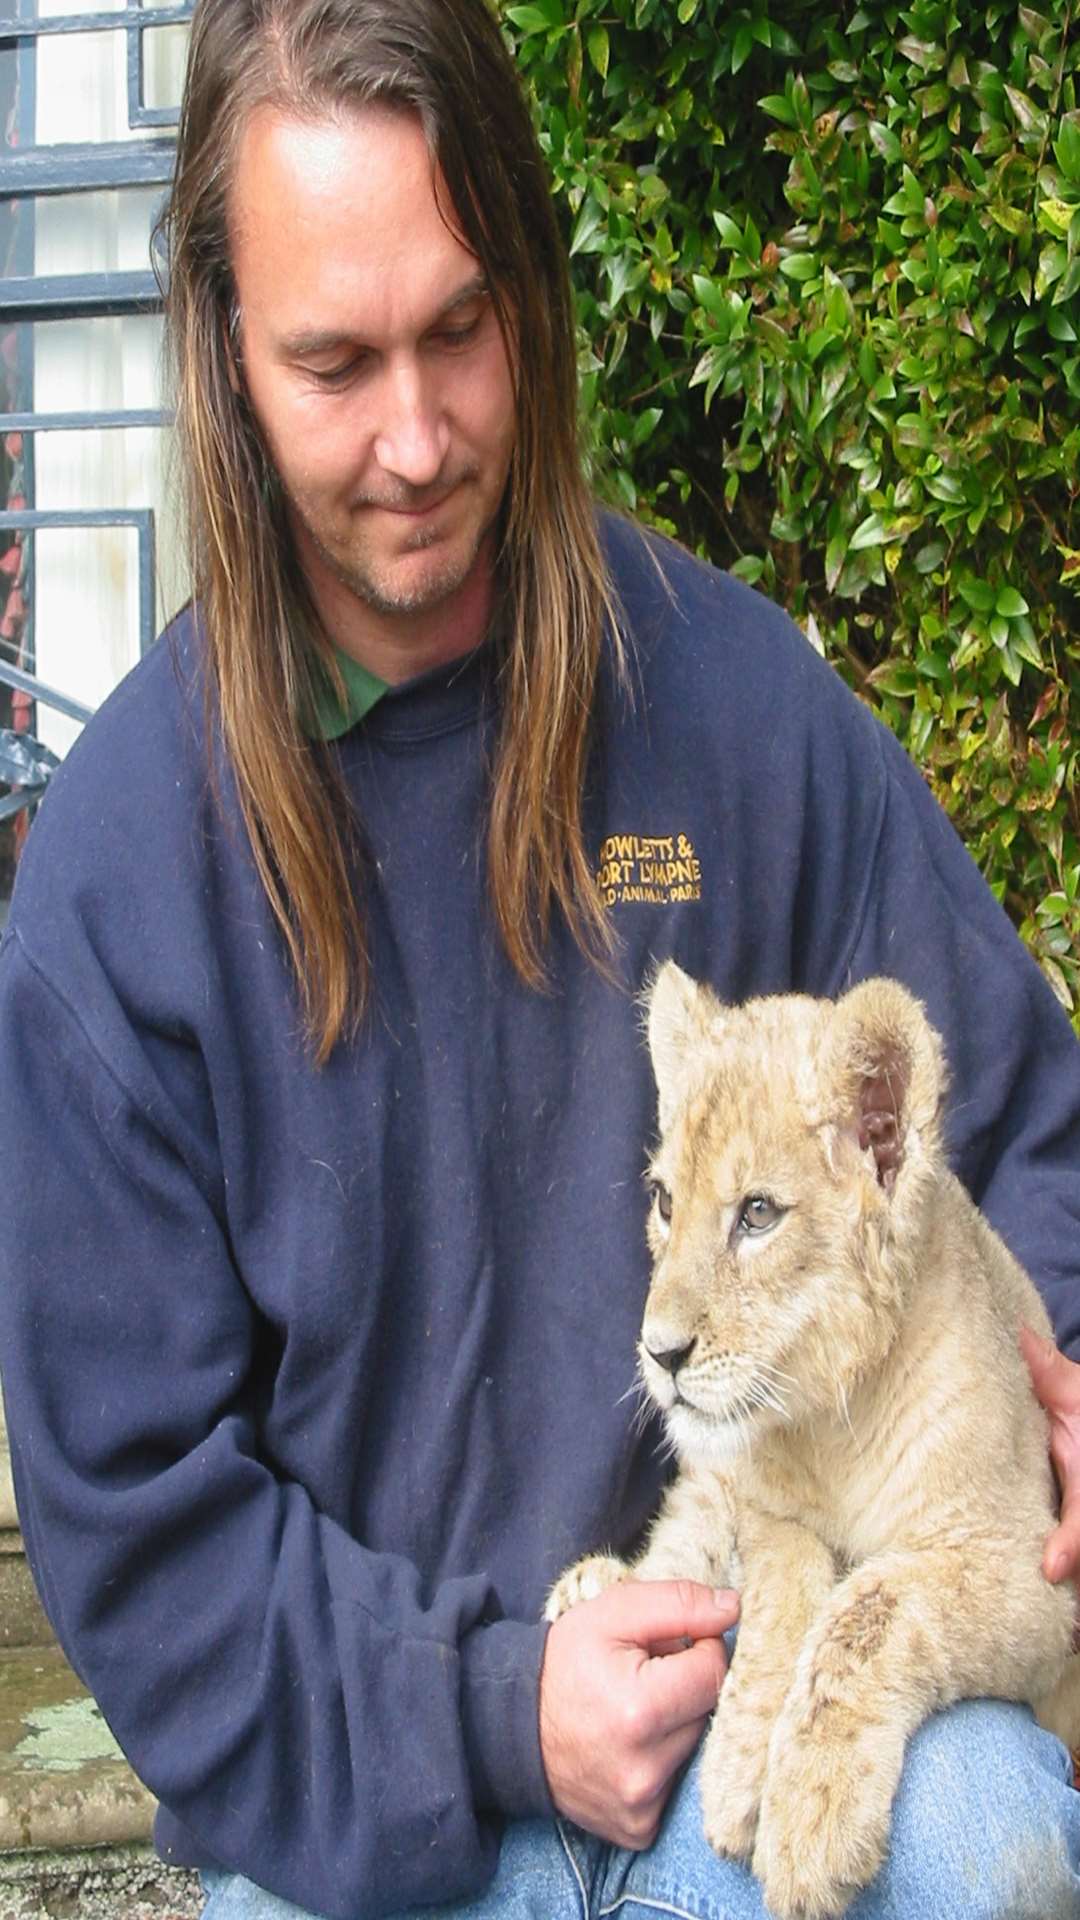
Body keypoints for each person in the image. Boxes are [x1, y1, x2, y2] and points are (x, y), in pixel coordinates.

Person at [0, 2, 1078, 1916]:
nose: (415, 441)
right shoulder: (112, 884)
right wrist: (490, 1706)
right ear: (223, 354)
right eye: (334, 364)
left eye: (462, 333)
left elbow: (1024, 1126)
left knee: (992, 1833)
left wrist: (1056, 1356)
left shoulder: (738, 712)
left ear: (533, 298)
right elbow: (135, 1525)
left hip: (762, 1664)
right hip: (362, 1802)